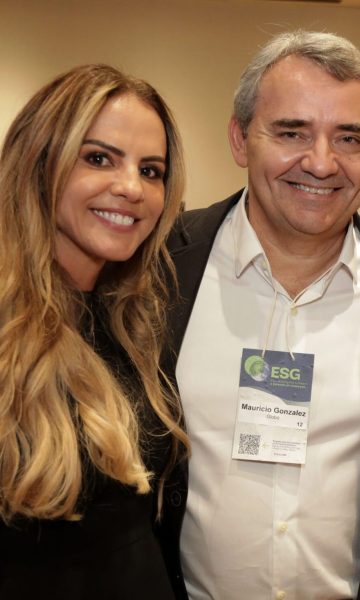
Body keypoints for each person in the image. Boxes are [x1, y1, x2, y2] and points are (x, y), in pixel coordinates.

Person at [162, 30, 360, 600]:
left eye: (349, 138)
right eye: (292, 132)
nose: (321, 162)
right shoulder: (158, 263)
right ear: (241, 139)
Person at [0, 64, 189, 599]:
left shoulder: (131, 323)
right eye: (98, 158)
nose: (131, 188)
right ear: (39, 164)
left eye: (151, 171)